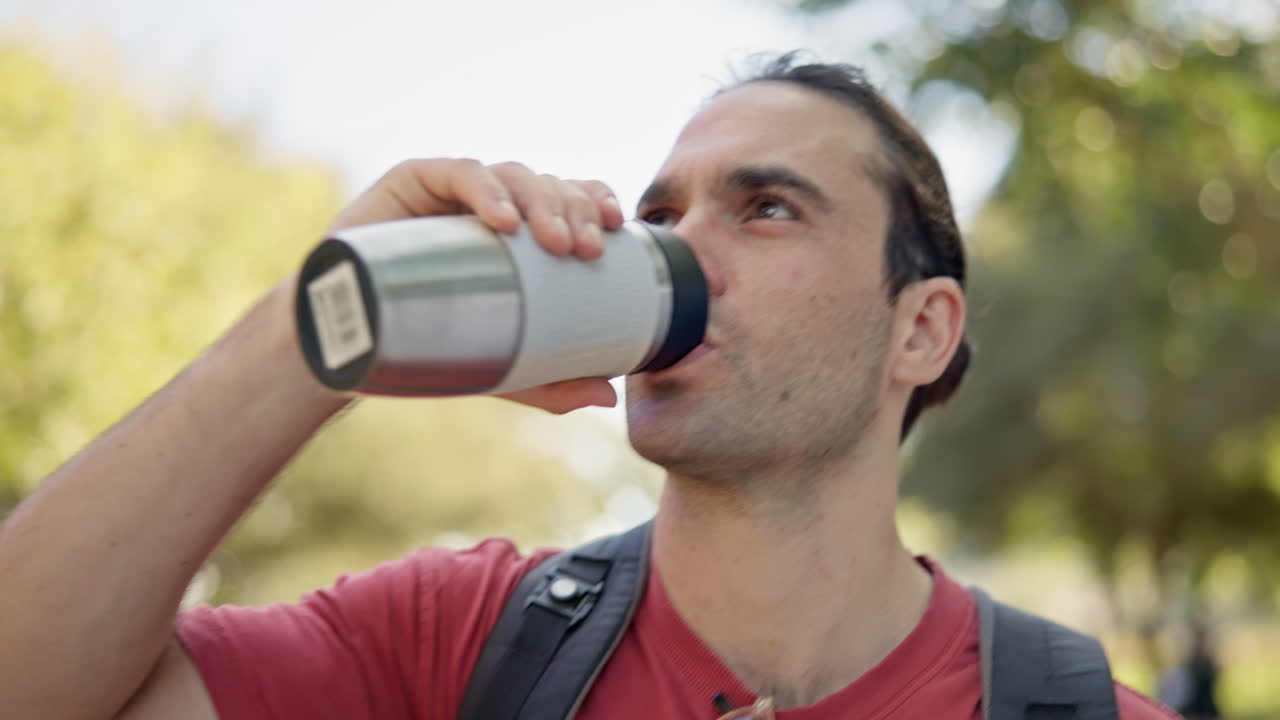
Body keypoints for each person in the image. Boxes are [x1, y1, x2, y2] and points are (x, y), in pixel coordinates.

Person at [0, 52, 1179, 719]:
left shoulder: (1073, 710)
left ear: (918, 330)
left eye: (765, 208)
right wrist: (309, 331)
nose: (673, 247)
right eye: (660, 211)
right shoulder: (455, 642)